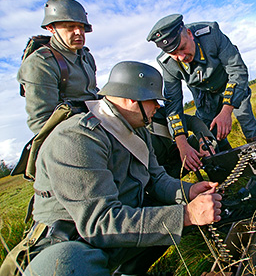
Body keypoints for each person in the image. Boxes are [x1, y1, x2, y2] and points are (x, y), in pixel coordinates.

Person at [20, 61, 222, 276]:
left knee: (166, 212)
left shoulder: (137, 129)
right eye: (153, 100)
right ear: (132, 100)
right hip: (75, 238)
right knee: (69, 261)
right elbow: (99, 224)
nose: (157, 107)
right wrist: (186, 215)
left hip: (113, 223)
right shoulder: (77, 138)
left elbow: (156, 179)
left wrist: (188, 191)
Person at [146, 14, 256, 171]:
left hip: (231, 85)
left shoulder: (211, 34)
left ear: (189, 34)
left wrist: (227, 110)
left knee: (246, 119)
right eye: (174, 54)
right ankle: (229, 170)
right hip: (203, 96)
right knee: (210, 132)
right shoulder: (167, 64)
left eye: (182, 48)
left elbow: (237, 70)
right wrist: (181, 142)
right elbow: (173, 103)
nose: (181, 57)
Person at [17, 0, 99, 134]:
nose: (79, 32)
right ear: (51, 28)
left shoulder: (85, 56)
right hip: (71, 132)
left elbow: (92, 92)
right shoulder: (40, 63)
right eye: (70, 27)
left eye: (81, 27)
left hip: (95, 119)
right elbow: (41, 122)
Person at [147, 106, 217, 178]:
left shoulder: (159, 112)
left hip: (175, 159)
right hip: (156, 177)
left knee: (207, 135)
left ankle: (217, 173)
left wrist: (204, 142)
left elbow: (192, 121)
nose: (157, 105)